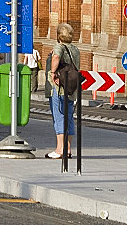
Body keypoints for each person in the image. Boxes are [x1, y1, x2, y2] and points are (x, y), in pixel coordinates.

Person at [46, 22, 80, 160]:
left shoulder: (59, 47)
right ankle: (68, 149)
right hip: (71, 89)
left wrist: (53, 72)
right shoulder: (75, 49)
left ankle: (60, 149)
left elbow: (56, 57)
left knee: (59, 116)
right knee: (69, 118)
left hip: (59, 89)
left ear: (59, 36)